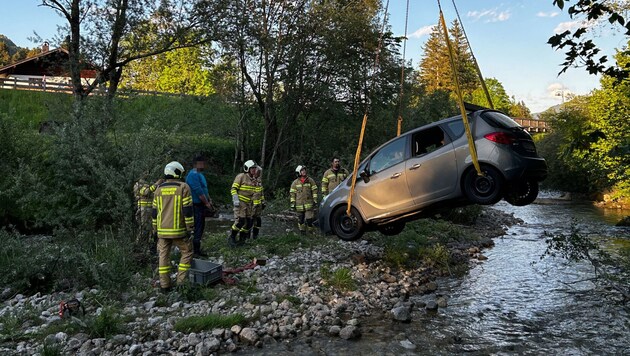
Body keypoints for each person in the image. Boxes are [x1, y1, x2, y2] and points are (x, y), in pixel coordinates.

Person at [152, 161, 194, 293]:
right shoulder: (183, 187)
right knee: (187, 253)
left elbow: (154, 213)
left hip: (162, 232)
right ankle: (181, 283)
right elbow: (187, 211)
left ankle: (165, 286)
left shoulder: (158, 189)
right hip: (179, 231)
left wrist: (155, 230)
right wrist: (190, 228)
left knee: (163, 256)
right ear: (176, 172)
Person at [185, 156, 215, 257]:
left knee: (201, 226)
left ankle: (197, 249)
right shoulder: (192, 175)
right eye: (201, 163)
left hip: (201, 204)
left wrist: (209, 200)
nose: (203, 165)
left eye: (203, 163)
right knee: (197, 227)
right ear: (196, 164)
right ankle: (195, 251)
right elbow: (198, 191)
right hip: (195, 205)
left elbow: (204, 189)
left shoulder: (200, 174)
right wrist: (206, 203)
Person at [229, 160, 258, 247]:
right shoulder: (241, 176)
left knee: (249, 223)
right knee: (240, 221)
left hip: (249, 204)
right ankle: (232, 238)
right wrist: (235, 199)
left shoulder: (254, 179)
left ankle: (242, 241)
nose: (254, 170)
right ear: (247, 168)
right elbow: (233, 189)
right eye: (252, 168)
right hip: (240, 204)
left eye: (254, 168)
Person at [133, 175, 163, 251]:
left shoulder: (148, 182)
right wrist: (156, 184)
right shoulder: (140, 184)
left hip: (150, 209)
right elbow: (146, 192)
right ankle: (138, 246)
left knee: (151, 229)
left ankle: (149, 246)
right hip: (144, 209)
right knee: (144, 228)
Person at [290, 165, 318, 235]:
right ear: (299, 172)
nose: (304, 171)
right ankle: (303, 233)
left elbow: (314, 190)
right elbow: (292, 193)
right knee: (301, 220)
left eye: (305, 170)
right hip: (299, 205)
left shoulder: (310, 180)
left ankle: (311, 232)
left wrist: (315, 199)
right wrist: (292, 203)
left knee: (309, 219)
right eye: (302, 170)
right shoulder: (295, 183)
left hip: (309, 204)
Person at [251, 165, 265, 239]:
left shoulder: (259, 180)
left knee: (258, 222)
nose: (259, 173)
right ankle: (246, 238)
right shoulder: (249, 180)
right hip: (251, 205)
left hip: (258, 205)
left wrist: (263, 201)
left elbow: (261, 192)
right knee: (250, 221)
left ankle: (255, 237)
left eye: (260, 172)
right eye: (258, 172)